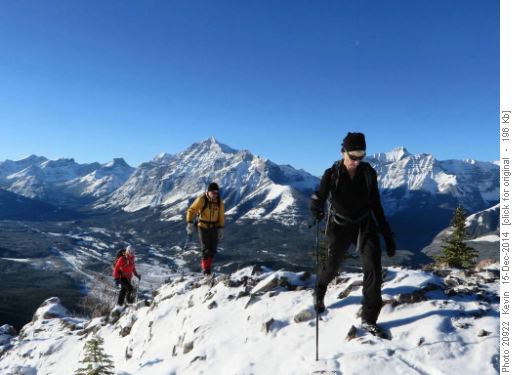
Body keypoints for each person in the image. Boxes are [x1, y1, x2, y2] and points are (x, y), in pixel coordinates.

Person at [310, 132, 396, 334]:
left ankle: (369, 319)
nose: (357, 161)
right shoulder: (331, 174)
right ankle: (320, 290)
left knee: (373, 268)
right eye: (353, 156)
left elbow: (376, 205)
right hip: (339, 225)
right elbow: (320, 197)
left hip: (364, 224)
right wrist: (316, 208)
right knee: (332, 266)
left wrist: (387, 235)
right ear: (343, 152)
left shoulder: (368, 173)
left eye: (361, 155)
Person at [186, 182, 225, 275]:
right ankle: (206, 270)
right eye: (213, 193)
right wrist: (189, 222)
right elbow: (191, 210)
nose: (215, 195)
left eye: (217, 193)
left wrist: (221, 228)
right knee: (206, 248)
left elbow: (221, 215)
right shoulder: (202, 199)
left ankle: (207, 267)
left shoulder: (219, 201)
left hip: (214, 227)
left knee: (213, 249)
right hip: (202, 226)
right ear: (209, 192)